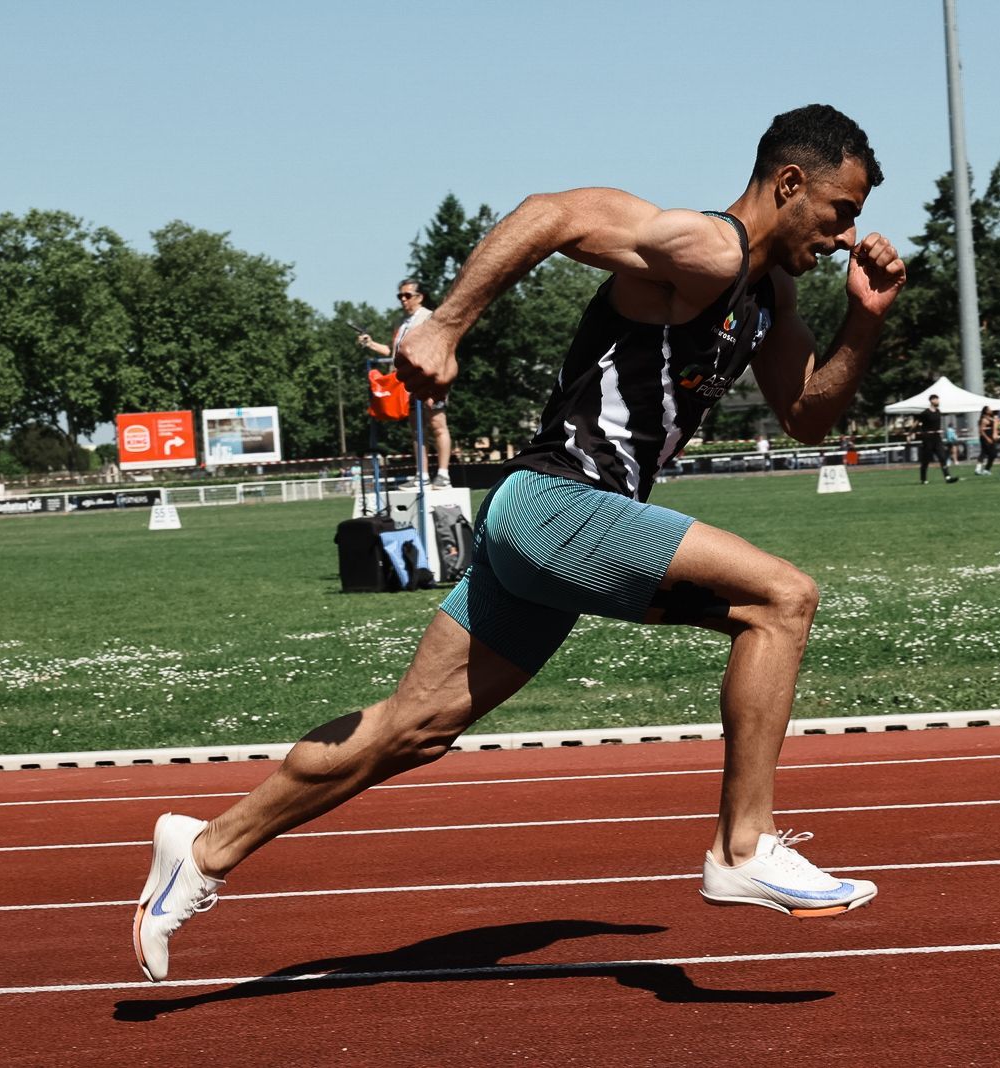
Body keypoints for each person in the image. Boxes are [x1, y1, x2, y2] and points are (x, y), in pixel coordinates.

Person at [132, 104, 902, 983]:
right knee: (782, 599)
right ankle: (744, 845)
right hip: (555, 507)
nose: (848, 236)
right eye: (840, 211)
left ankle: (201, 848)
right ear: (790, 183)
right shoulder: (709, 249)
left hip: (555, 530)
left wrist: (867, 317)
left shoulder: (769, 294)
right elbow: (553, 213)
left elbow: (808, 415)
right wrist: (447, 324)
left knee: (411, 728)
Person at [360, 279, 454, 488]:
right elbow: (393, 354)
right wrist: (371, 343)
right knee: (417, 429)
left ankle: (443, 474)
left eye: (407, 295)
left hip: (429, 378)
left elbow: (439, 347)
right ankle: (422, 475)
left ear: (419, 297)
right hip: (408, 383)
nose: (403, 300)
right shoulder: (402, 323)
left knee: (437, 425)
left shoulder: (429, 317)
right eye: (400, 296)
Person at [914, 394, 958, 484]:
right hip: (928, 438)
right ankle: (923, 479)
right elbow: (916, 423)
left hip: (937, 438)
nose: (938, 401)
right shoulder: (925, 413)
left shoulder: (938, 411)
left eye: (938, 400)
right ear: (931, 400)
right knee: (926, 460)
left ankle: (948, 477)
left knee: (942, 457)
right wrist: (911, 433)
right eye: (936, 400)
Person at [974, 405, 997, 475]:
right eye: (989, 409)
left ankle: (983, 469)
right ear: (986, 411)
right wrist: (987, 439)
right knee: (989, 453)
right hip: (985, 438)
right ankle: (982, 469)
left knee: (988, 454)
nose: (991, 410)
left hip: (990, 437)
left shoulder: (991, 418)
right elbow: (981, 431)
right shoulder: (984, 420)